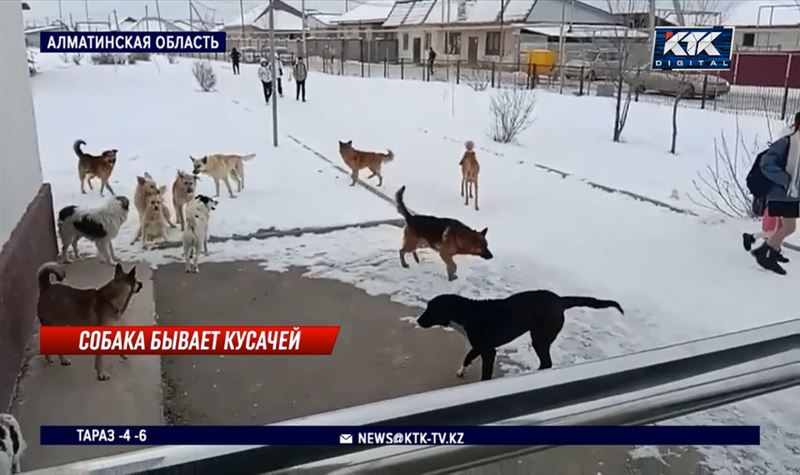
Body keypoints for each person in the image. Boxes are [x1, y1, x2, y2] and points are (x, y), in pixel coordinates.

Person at [750, 111, 800, 275]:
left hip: (791, 193)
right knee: (789, 227)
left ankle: (771, 251)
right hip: (782, 192)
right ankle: (766, 252)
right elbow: (767, 163)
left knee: (785, 226)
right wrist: (785, 180)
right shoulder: (786, 142)